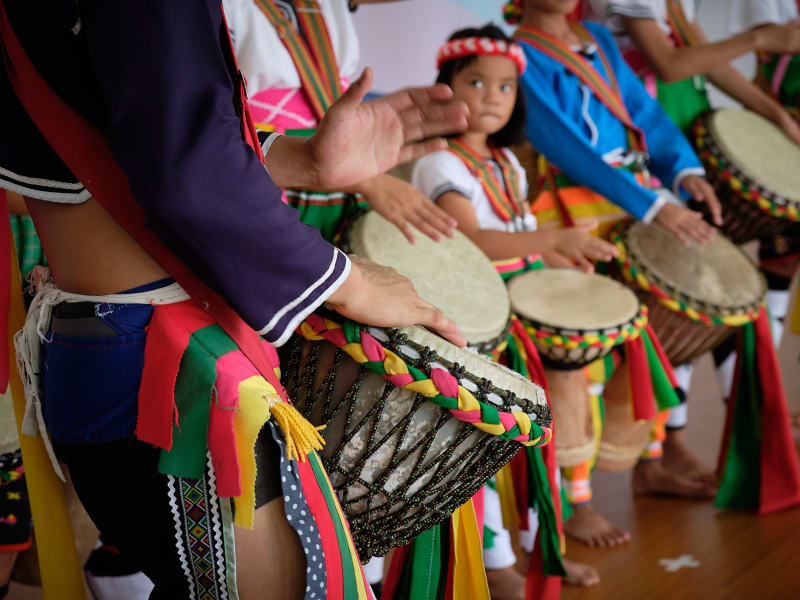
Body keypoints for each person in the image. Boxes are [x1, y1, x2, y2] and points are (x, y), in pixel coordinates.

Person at [0, 2, 470, 598]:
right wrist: (345, 280)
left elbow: (123, 126)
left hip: (113, 339)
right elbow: (184, 169)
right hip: (165, 363)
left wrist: (298, 158)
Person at [501, 0, 720, 548]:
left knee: (641, 348)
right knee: (579, 364)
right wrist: (653, 204)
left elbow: (645, 114)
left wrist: (685, 170)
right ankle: (576, 503)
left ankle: (647, 466)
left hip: (628, 211)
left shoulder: (596, 36)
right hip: (569, 217)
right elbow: (567, 148)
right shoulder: (519, 53)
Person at [412, 24, 616, 597]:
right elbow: (474, 241)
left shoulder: (509, 164)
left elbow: (518, 233)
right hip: (478, 331)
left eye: (504, 87)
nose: (491, 97)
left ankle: (540, 551)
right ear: (445, 85)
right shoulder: (440, 164)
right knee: (486, 449)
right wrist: (551, 244)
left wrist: (559, 263)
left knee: (530, 446)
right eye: (476, 81)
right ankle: (498, 564)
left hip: (518, 322)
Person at [592, 0, 800, 465]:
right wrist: (763, 39)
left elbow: (709, 60)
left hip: (677, 143)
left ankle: (678, 446)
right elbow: (667, 65)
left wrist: (775, 116)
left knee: (696, 301)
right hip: (644, 143)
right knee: (671, 299)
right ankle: (654, 456)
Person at [223, 0, 458, 244]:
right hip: (264, 178)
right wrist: (368, 181)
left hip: (334, 175)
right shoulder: (218, 9)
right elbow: (214, 136)